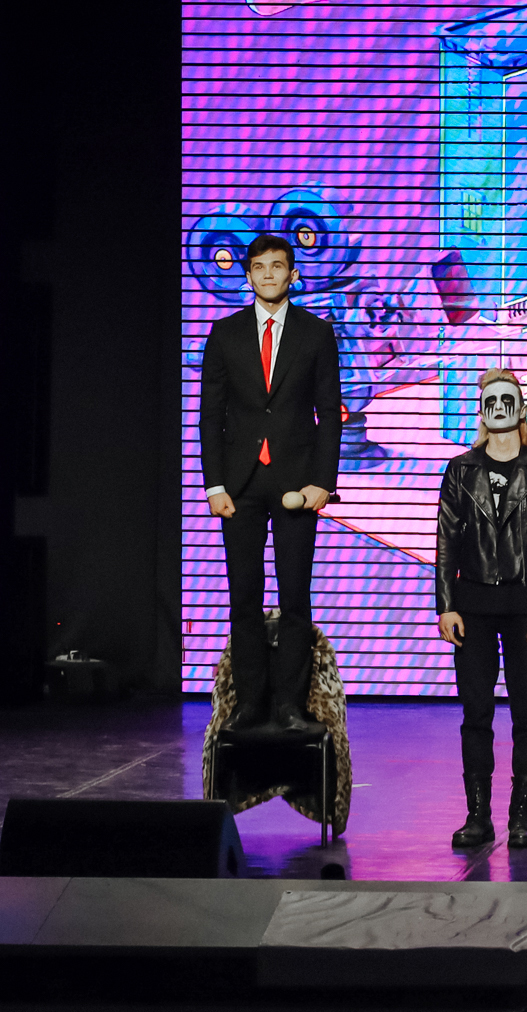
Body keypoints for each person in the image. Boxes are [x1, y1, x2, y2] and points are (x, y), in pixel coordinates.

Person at [198, 233, 343, 732]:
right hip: (240, 485)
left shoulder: (316, 333)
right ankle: (249, 703)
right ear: (248, 275)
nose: (267, 275)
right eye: (259, 267)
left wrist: (323, 481)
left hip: (296, 483)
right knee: (244, 597)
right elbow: (211, 415)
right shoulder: (225, 333)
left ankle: (290, 705)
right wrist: (214, 485)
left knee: (295, 597)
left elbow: (330, 413)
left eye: (277, 266)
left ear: (292, 274)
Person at [436, 370, 527, 849]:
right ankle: (477, 817)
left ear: (522, 408)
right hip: (472, 607)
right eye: (491, 401)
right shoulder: (460, 469)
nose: (499, 408)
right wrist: (446, 605)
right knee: (476, 713)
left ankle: (521, 818)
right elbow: (446, 541)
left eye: (508, 400)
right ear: (481, 410)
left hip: (525, 607)